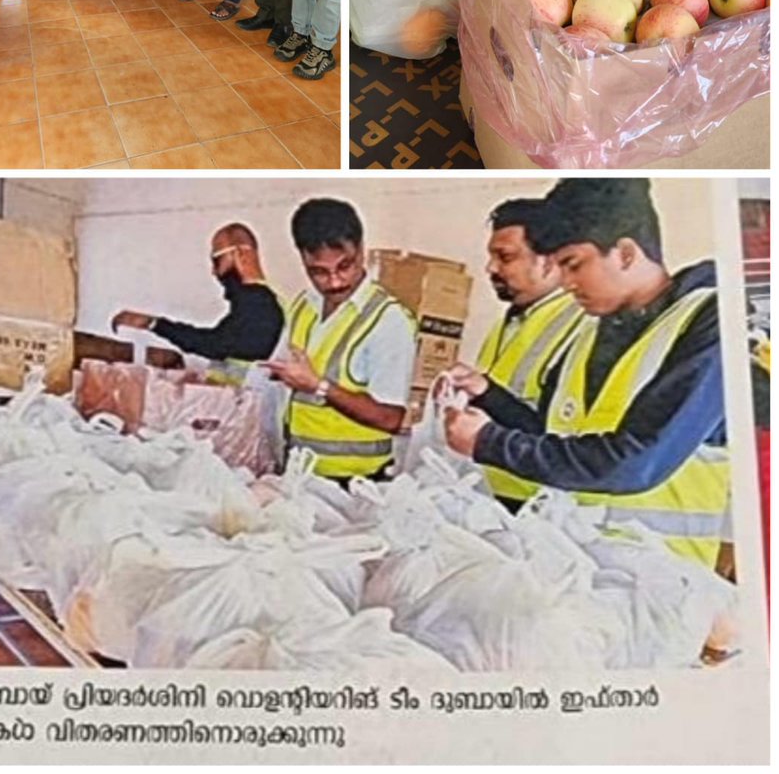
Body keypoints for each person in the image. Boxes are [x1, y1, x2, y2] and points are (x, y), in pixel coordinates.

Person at [444, 179, 728, 568]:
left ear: (625, 253)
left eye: (573, 264)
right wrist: (488, 395)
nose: (566, 281)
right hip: (577, 566)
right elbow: (552, 435)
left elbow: (640, 459)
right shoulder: (587, 334)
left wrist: (490, 442)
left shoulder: (712, 323)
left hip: (662, 581)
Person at [446, 197, 583, 512]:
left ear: (549, 261)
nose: (490, 268)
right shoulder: (509, 323)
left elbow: (561, 435)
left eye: (504, 257)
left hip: (541, 505)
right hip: (496, 495)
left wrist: (485, 393)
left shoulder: (580, 325)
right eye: (491, 256)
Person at [266, 198, 416, 484]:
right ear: (302, 259)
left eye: (345, 266)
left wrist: (319, 386)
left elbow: (391, 418)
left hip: (358, 484)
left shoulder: (387, 320)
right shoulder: (304, 306)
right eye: (318, 272)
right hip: (301, 475)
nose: (334, 282)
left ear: (361, 250)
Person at [111, 224, 284, 385]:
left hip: (250, 410)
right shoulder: (257, 302)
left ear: (240, 254)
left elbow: (215, 344)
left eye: (217, 261)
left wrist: (154, 324)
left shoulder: (259, 303)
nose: (214, 271)